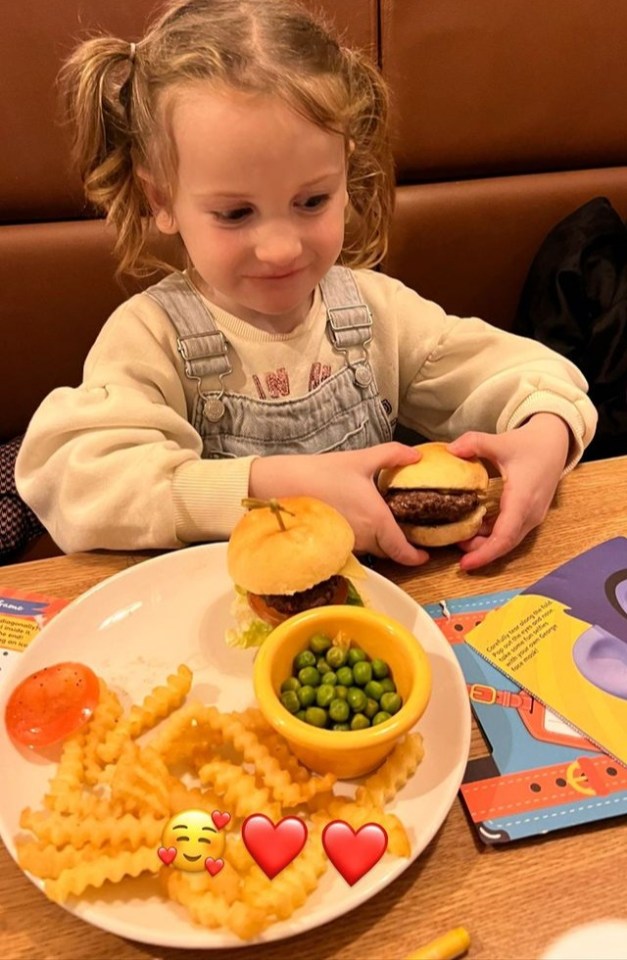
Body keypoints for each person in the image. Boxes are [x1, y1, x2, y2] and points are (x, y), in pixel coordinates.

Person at [15, 0, 597, 571]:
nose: (281, 248)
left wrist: (546, 435)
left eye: (312, 201)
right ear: (161, 199)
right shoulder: (153, 336)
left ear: (347, 173)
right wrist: (269, 485)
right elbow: (73, 478)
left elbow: (528, 374)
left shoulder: (373, 312)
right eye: (236, 213)